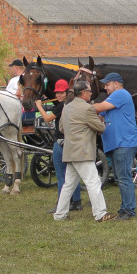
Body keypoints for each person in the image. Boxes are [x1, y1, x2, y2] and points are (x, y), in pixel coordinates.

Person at [55, 81, 114, 222]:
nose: (91, 93)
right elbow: (101, 128)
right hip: (83, 152)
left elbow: (62, 128)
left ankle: (60, 214)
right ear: (83, 93)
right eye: (89, 91)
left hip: (70, 152)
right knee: (93, 182)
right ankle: (100, 214)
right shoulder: (88, 109)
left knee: (68, 185)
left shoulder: (67, 108)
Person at [94, 73, 137, 220]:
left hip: (123, 143)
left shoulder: (121, 94)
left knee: (124, 177)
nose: (105, 88)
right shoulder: (112, 100)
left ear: (116, 83)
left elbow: (99, 108)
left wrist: (83, 104)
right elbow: (100, 115)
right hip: (116, 143)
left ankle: (128, 210)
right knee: (120, 177)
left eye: (107, 85)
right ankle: (124, 208)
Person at [34, 79, 82, 212]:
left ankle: (62, 204)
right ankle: (76, 202)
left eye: (61, 93)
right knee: (73, 174)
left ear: (67, 92)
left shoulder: (62, 106)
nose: (59, 95)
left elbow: (48, 118)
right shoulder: (71, 104)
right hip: (71, 142)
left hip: (60, 142)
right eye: (57, 93)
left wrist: (39, 105)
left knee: (61, 175)